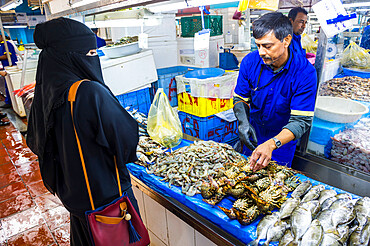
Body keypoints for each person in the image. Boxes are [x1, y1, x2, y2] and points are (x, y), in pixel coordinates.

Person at [26, 18, 140, 245]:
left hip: (75, 196)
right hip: (105, 199)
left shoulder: (47, 91)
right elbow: (126, 141)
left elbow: (36, 140)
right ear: (69, 55)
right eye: (89, 53)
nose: (93, 59)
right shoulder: (89, 92)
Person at [233, 12, 317, 172]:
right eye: (258, 45)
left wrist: (273, 144)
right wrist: (243, 122)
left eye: (267, 46)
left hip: (282, 140)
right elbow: (239, 98)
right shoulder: (250, 62)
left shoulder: (304, 73)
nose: (261, 52)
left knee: (275, 183)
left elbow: (301, 121)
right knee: (245, 177)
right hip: (254, 133)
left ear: (286, 40)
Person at [0, 34, 18, 109]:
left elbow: (6, 56)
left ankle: (10, 102)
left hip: (11, 67)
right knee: (8, 86)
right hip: (6, 67)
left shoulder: (7, 44)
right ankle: (9, 102)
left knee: (10, 86)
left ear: (1, 36)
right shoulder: (2, 45)